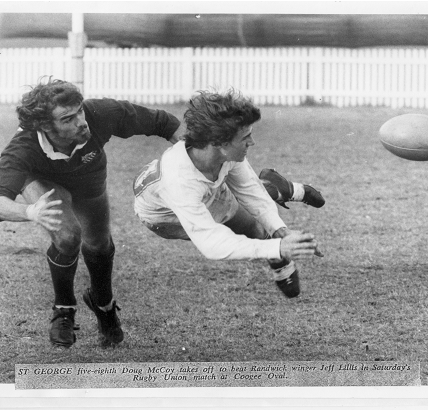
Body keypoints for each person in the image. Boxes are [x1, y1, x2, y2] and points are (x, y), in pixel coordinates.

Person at [0, 77, 185, 348]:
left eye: (79, 110)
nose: (81, 121)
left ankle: (104, 307)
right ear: (45, 126)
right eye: (68, 118)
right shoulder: (23, 147)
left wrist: (188, 159)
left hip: (89, 179)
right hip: (42, 181)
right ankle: (63, 310)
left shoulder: (98, 114)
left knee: (100, 246)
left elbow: (164, 122)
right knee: (67, 235)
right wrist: (30, 211)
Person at [133, 90, 325, 299]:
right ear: (220, 143)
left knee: (256, 228)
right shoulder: (180, 181)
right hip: (164, 216)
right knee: (239, 234)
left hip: (208, 191)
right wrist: (278, 247)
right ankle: (275, 192)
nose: (252, 142)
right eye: (246, 137)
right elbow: (211, 244)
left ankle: (276, 193)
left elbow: (249, 190)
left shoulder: (224, 152)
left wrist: (280, 230)